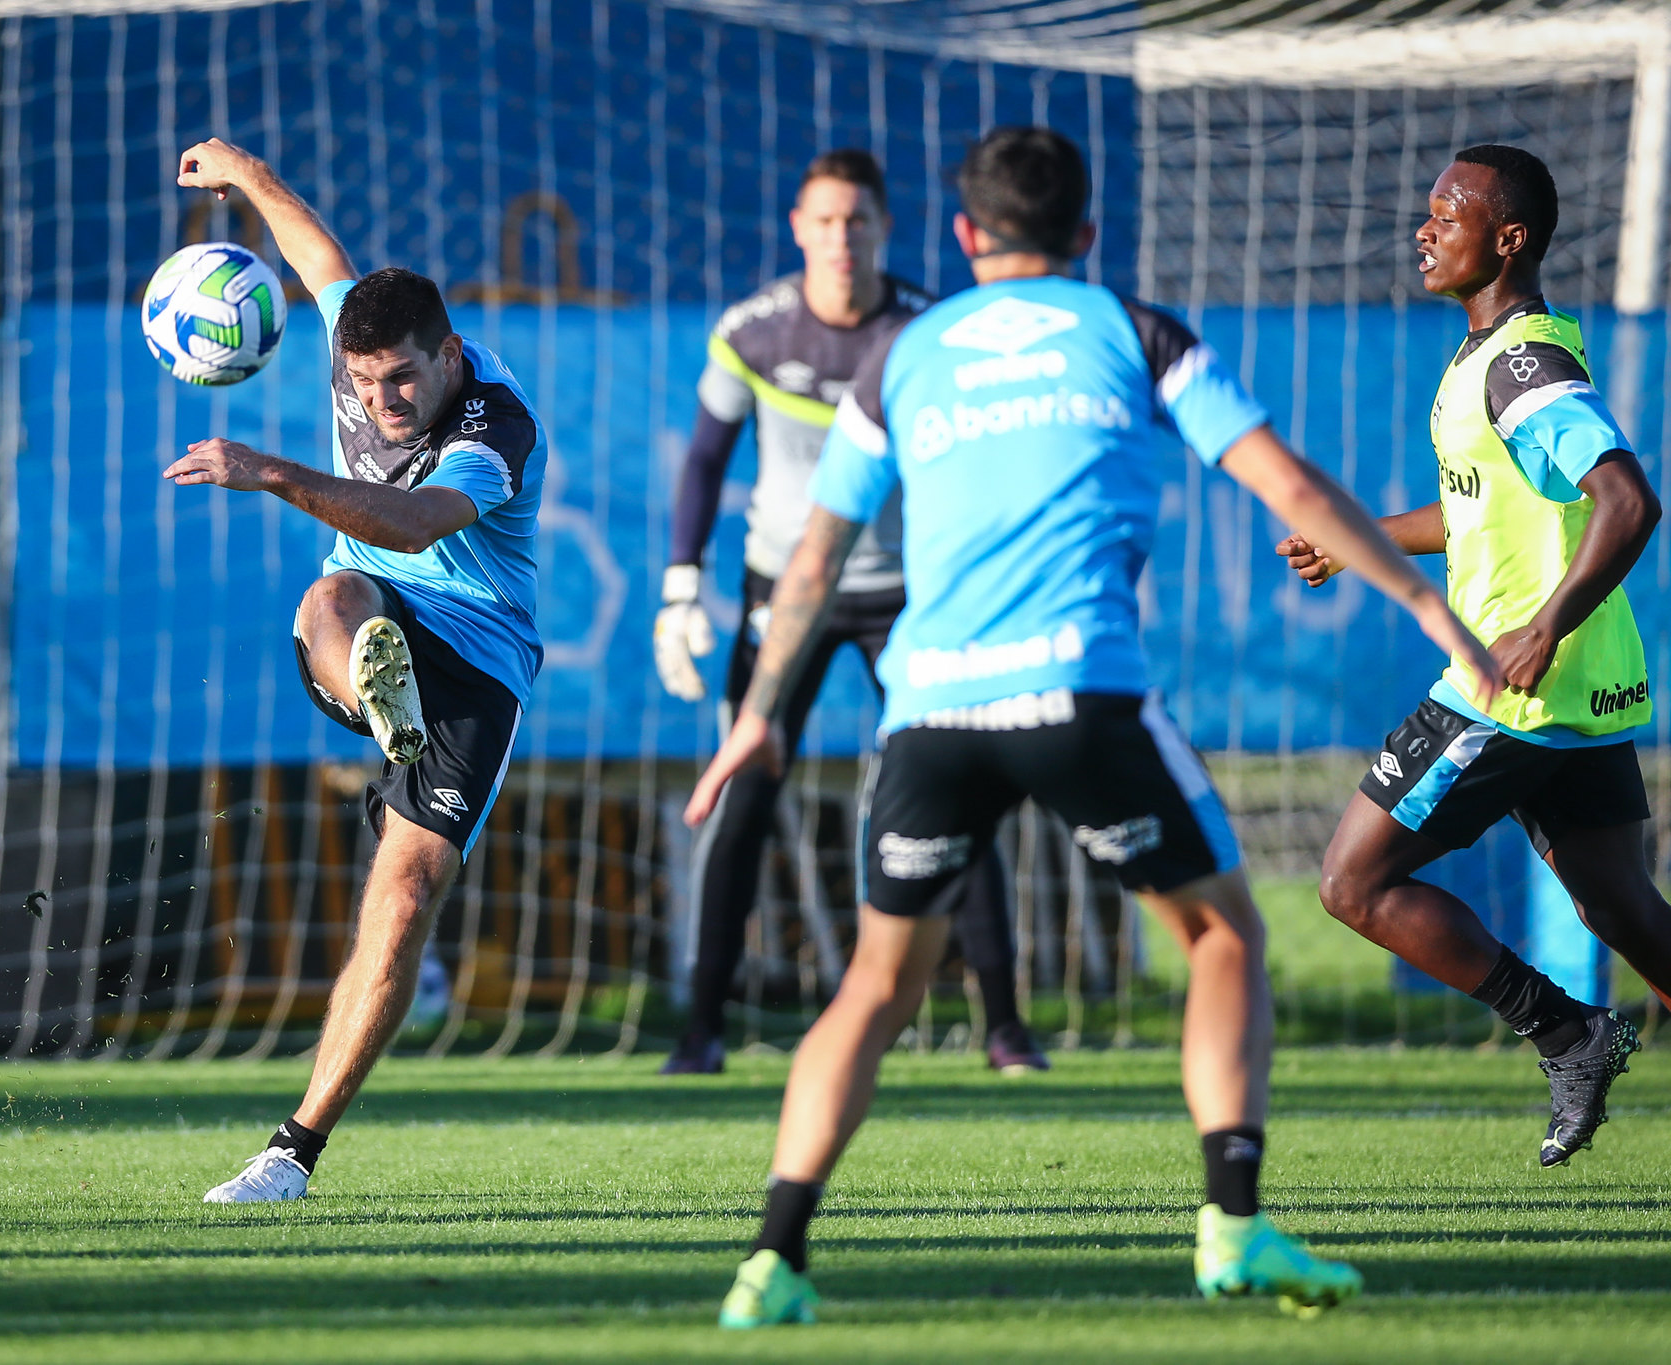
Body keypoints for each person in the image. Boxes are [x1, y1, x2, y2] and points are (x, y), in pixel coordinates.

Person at [687, 125, 1506, 1327]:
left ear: (964, 238)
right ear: (1082, 237)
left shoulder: (902, 356)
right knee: (1221, 938)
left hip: (930, 707)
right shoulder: (1132, 330)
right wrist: (1427, 605)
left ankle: (771, 1263)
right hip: (1079, 694)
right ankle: (1230, 1224)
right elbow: (1282, 481)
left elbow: (811, 554)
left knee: (872, 986)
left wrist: (757, 717)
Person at [165, 138, 545, 1203]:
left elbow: (421, 523)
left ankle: (290, 1153)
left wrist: (275, 473)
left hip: (476, 658)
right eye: (361, 379)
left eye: (400, 380)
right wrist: (246, 176)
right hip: (371, 611)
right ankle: (386, 715)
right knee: (332, 595)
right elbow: (317, 254)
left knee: (407, 891)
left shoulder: (495, 427)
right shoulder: (363, 347)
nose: (379, 400)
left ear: (451, 355)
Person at [1282, 144, 1671, 1168]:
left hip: (1509, 685)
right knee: (1618, 904)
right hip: (1578, 689)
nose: (1423, 229)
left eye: (1445, 215)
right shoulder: (1486, 355)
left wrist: (1538, 628)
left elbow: (1626, 501)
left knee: (1350, 883)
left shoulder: (1520, 364)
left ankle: (1565, 1031)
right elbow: (1475, 512)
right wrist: (1357, 536)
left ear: (1505, 239)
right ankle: (1573, 1030)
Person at [658, 149, 1047, 1077]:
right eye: (825, 220)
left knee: (960, 787)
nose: (842, 238)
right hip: (782, 595)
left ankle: (1005, 1028)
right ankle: (702, 1029)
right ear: (799, 228)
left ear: (884, 228)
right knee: (743, 791)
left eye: (858, 220)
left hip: (904, 595)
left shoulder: (926, 332)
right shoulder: (750, 332)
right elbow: (706, 460)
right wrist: (681, 583)